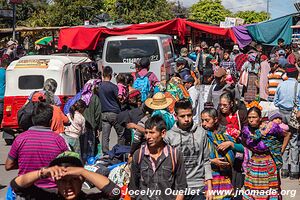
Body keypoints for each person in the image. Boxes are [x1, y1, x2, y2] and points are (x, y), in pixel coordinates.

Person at [5, 102, 69, 189]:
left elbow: (8, 166)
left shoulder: (20, 139)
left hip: (26, 189)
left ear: (32, 120)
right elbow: (67, 165)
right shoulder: (59, 140)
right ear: (50, 121)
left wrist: (24, 163)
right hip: (52, 190)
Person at [10, 151, 121, 200]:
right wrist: (43, 173)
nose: (68, 185)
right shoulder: (47, 197)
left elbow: (115, 192)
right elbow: (16, 185)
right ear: (56, 181)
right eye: (63, 180)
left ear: (82, 180)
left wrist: (83, 172)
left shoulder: (89, 198)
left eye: (73, 179)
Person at [129, 116, 187, 200]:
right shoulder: (138, 155)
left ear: (163, 133)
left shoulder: (175, 155)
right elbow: (133, 187)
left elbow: (181, 187)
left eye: (152, 132)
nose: (148, 137)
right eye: (146, 133)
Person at [165, 99, 213, 200]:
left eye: (189, 115)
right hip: (177, 188)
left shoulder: (201, 133)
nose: (187, 119)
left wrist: (209, 188)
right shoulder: (169, 136)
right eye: (182, 116)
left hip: (198, 187)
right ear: (175, 116)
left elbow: (206, 161)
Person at [240, 107, 289, 199]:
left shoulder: (270, 127)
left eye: (254, 117)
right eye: (249, 117)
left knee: (271, 190)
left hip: (268, 164)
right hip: (253, 164)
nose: (251, 120)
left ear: (260, 118)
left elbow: (287, 135)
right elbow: (244, 144)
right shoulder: (246, 131)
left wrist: (280, 150)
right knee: (251, 190)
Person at [201, 108, 237, 200]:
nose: (203, 123)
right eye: (202, 120)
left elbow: (242, 149)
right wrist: (212, 161)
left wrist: (231, 144)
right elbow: (195, 158)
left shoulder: (226, 133)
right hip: (207, 178)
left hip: (224, 177)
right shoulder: (200, 135)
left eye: (207, 120)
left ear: (215, 120)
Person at [274, 64, 300, 179]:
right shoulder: (298, 86)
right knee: (294, 141)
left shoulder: (281, 85)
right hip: (293, 115)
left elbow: (275, 101)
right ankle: (294, 171)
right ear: (296, 74)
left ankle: (284, 169)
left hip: (281, 113)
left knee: (283, 139)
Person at [217, 92, 247, 192]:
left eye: (225, 105)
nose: (222, 107)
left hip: (237, 150)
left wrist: (240, 133)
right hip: (224, 152)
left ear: (231, 104)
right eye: (220, 105)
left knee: (237, 175)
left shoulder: (240, 114)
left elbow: (246, 131)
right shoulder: (218, 116)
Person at [99, 66, 124, 154]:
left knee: (105, 135)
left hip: (104, 113)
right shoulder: (113, 87)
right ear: (110, 75)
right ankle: (119, 151)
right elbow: (120, 98)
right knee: (121, 133)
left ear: (103, 74)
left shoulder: (99, 86)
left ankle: (105, 153)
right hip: (115, 113)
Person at [81, 79, 102, 161]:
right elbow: (98, 114)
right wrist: (99, 127)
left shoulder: (80, 97)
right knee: (90, 144)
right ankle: (90, 162)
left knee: (82, 144)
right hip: (92, 126)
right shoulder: (95, 98)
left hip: (81, 126)